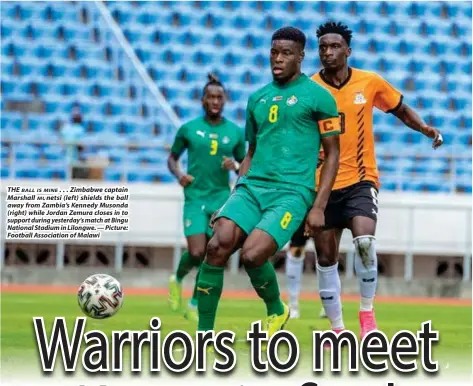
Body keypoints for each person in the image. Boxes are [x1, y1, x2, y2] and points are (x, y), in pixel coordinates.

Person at [285, 21, 443, 339]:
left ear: (348, 51)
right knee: (326, 260)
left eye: (334, 47)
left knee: (365, 243)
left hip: (360, 180)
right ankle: (337, 330)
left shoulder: (369, 83)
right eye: (323, 48)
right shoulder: (308, 89)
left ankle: (367, 313)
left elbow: (399, 108)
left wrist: (424, 128)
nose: (328, 52)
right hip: (321, 190)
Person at [196, 26, 341, 339]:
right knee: (217, 245)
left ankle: (276, 308)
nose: (278, 59)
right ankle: (203, 336)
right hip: (251, 188)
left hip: (292, 192)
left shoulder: (320, 97)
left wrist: (319, 206)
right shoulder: (257, 97)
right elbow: (251, 153)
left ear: (301, 57)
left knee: (252, 255)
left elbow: (332, 155)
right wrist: (231, 198)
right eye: (274, 52)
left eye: (286, 53)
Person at [167, 74, 246, 322]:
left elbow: (245, 164)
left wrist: (234, 165)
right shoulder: (188, 129)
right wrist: (179, 174)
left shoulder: (234, 132)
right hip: (194, 197)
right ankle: (177, 279)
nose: (215, 101)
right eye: (211, 97)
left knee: (213, 252)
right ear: (203, 100)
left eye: (219, 98)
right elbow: (172, 158)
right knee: (196, 250)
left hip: (221, 198)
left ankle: (194, 301)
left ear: (225, 101)